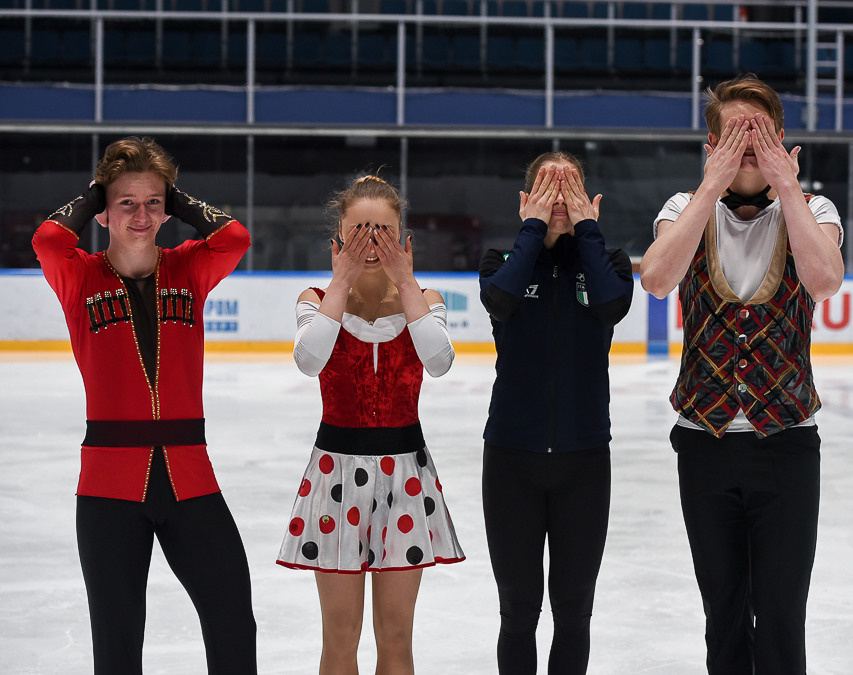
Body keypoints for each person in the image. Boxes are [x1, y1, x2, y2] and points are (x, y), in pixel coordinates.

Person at [640, 74, 844, 675]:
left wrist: (788, 185)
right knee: (723, 613)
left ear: (783, 140)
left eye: (761, 134)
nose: (749, 146)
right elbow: (656, 281)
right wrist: (711, 185)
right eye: (735, 135)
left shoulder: (814, 210)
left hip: (786, 443)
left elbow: (824, 282)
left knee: (781, 614)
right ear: (711, 145)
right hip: (704, 443)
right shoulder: (683, 208)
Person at [32, 137, 257, 675]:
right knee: (117, 642)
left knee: (232, 621)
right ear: (103, 211)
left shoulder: (188, 269)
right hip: (108, 488)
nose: (141, 215)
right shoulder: (79, 277)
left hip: (191, 478)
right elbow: (48, 240)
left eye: (153, 203)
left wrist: (173, 200)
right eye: (126, 203)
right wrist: (99, 195)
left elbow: (234, 238)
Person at [276, 175, 465, 675]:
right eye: (359, 232)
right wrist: (341, 282)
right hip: (334, 478)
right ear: (337, 241)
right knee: (340, 637)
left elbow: (440, 362)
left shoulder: (425, 298)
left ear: (404, 241)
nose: (372, 244)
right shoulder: (317, 297)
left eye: (383, 233)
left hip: (406, 479)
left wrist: (407, 282)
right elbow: (309, 361)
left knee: (397, 637)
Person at [478, 152, 634, 674]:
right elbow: (501, 302)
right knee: (518, 612)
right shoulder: (501, 262)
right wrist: (534, 229)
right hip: (511, 461)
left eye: (571, 191)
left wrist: (586, 230)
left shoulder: (609, 263)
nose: (560, 201)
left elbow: (610, 307)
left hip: (584, 462)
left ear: (592, 202)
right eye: (548, 190)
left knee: (574, 613)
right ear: (526, 202)